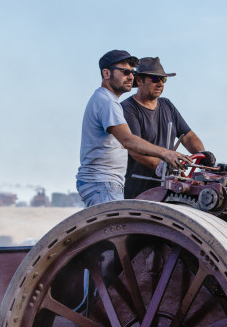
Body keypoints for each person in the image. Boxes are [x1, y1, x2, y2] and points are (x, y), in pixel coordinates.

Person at [76, 50, 188, 208]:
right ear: (106, 73)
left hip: (105, 182)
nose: (130, 77)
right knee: (113, 231)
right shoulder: (107, 102)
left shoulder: (106, 100)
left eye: (132, 73)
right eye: (125, 72)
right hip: (102, 182)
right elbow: (128, 140)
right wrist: (166, 153)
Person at [121, 57, 214, 199]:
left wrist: (202, 154)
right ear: (139, 80)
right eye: (154, 79)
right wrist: (162, 167)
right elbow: (135, 150)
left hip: (166, 189)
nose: (159, 84)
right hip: (138, 191)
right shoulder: (128, 109)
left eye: (163, 80)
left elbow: (188, 136)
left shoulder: (167, 106)